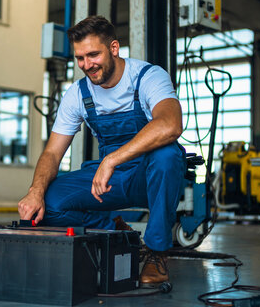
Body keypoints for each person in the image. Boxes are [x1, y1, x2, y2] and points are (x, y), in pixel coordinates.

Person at [18, 15, 186, 285]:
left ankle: (157, 252)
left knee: (167, 155)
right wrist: (35, 192)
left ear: (114, 48)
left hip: (149, 176)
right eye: (80, 58)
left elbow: (170, 124)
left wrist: (111, 159)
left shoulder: (148, 76)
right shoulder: (78, 93)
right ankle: (120, 234)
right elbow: (51, 153)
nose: (87, 65)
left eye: (93, 54)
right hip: (110, 181)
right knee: (48, 204)